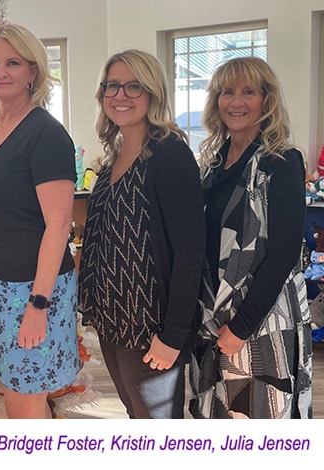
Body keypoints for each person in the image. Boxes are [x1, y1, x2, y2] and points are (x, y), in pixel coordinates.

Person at [0, 23, 80, 419]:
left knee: (23, 404)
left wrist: (38, 305)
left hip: (36, 291)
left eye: (13, 62)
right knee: (19, 395)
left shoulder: (46, 134)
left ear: (33, 71)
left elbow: (59, 225)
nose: (0, 72)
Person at [76, 50, 205, 419]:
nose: (121, 96)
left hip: (151, 325)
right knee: (136, 414)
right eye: (112, 86)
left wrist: (173, 335)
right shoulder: (114, 152)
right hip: (112, 316)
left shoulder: (170, 154)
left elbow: (190, 252)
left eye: (134, 86)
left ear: (153, 94)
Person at [191, 57, 312, 419]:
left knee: (261, 418)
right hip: (212, 317)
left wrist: (241, 327)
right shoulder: (213, 164)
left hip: (262, 322)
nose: (236, 102)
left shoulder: (282, 161)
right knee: (217, 417)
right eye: (227, 92)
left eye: (248, 92)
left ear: (266, 99)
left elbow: (285, 253)